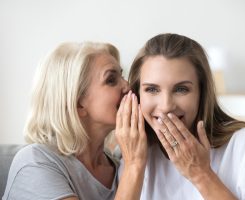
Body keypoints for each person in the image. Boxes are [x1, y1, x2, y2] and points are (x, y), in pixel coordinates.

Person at [119, 33, 245, 199]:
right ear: (137, 94)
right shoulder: (132, 150)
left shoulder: (242, 144)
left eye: (181, 89)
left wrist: (201, 174)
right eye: (152, 89)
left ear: (201, 93)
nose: (166, 106)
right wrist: (133, 165)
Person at [2, 42, 147, 200]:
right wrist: (134, 165)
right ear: (78, 104)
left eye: (122, 76)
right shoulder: (35, 163)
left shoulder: (120, 166)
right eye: (111, 80)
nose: (128, 86)